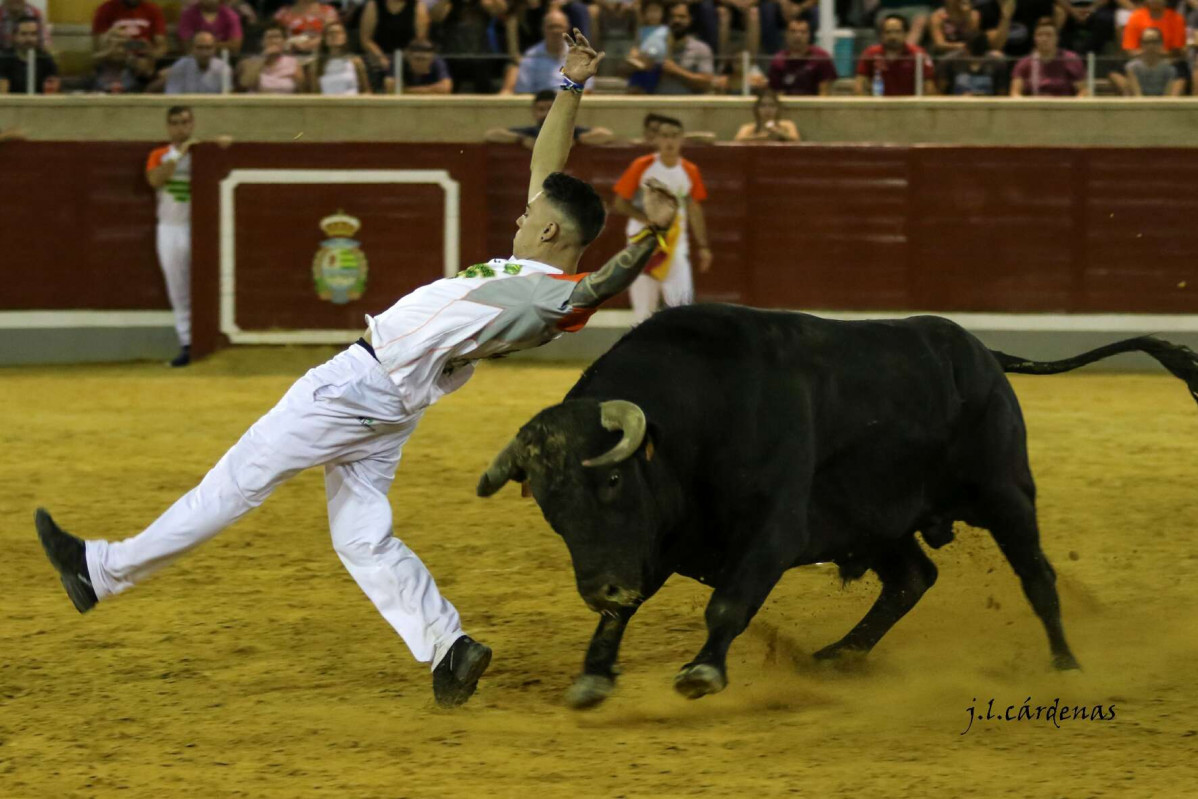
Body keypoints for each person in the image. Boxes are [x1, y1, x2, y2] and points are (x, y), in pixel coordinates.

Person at [35, 31, 681, 711]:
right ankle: (447, 645)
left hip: (355, 386)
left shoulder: (546, 293)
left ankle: (101, 570)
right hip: (391, 404)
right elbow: (549, 169)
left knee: (234, 481)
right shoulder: (534, 272)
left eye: (530, 215)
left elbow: (593, 288)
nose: (521, 214)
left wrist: (650, 238)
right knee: (361, 534)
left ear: (550, 233)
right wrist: (572, 86)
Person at [612, 114, 711, 323]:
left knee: (682, 310)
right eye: (665, 136)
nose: (669, 141)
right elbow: (619, 203)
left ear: (682, 139)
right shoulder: (642, 165)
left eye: (675, 136)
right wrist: (647, 219)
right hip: (642, 244)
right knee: (643, 313)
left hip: (675, 247)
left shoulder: (689, 170)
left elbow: (694, 209)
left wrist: (703, 246)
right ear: (656, 139)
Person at [144, 107, 199, 367]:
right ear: (168, 127)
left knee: (204, 286)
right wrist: (178, 155)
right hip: (170, 227)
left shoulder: (203, 152)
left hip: (201, 229)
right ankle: (187, 343)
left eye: (185, 122)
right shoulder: (160, 154)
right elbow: (156, 180)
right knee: (178, 289)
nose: (181, 128)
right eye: (176, 123)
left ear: (193, 124)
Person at [502, 9, 592, 94]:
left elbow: (586, 90)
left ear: (567, 28)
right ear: (543, 29)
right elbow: (524, 92)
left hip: (570, 104)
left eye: (559, 26)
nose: (555, 31)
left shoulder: (579, 57)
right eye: (551, 27)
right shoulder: (531, 57)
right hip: (540, 106)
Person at [486, 88, 614, 147]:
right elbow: (491, 134)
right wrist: (521, 139)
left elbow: (607, 134)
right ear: (534, 112)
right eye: (541, 109)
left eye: (551, 110)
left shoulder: (572, 132)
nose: (546, 114)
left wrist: (579, 140)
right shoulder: (530, 132)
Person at [854, 14, 937, 95]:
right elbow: (860, 85)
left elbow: (929, 88)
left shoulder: (919, 54)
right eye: (888, 32)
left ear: (905, 33)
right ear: (881, 35)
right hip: (879, 105)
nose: (893, 36)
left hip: (911, 105)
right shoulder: (870, 53)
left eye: (897, 32)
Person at [1010, 17, 1086, 96]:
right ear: (1034, 38)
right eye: (1040, 35)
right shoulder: (1024, 63)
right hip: (1034, 106)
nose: (1044, 39)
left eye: (1049, 35)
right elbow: (1015, 93)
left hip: (1063, 106)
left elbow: (1083, 91)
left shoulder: (1071, 59)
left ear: (1057, 38)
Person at [766, 17, 836, 96]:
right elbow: (777, 94)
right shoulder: (778, 60)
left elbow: (825, 93)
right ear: (786, 35)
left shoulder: (821, 57)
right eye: (793, 31)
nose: (798, 36)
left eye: (803, 32)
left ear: (809, 35)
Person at [359, 0, 429, 77]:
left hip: (407, 60)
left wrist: (401, 61)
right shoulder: (373, 5)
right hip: (377, 58)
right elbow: (366, 39)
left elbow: (419, 41)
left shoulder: (418, 6)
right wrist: (381, 58)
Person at [1115, 26, 1183, 95]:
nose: (1150, 45)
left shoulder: (1169, 69)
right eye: (1146, 42)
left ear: (1161, 43)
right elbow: (1137, 96)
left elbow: (1167, 97)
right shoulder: (1132, 68)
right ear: (1141, 43)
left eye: (1154, 41)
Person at [307, 21, 371, 94]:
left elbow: (366, 90)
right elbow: (314, 93)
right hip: (327, 103)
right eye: (330, 33)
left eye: (338, 32)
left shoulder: (356, 62)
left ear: (345, 37)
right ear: (324, 39)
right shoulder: (316, 64)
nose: (334, 35)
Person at [237, 24, 304, 93]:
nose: (273, 41)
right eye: (269, 37)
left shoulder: (293, 62)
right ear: (261, 42)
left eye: (277, 37)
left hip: (285, 102)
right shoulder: (249, 62)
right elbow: (245, 83)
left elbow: (301, 90)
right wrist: (263, 57)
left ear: (284, 41)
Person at [91, 0, 167, 61]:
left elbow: (162, 47)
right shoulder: (105, 9)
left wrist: (150, 52)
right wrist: (110, 50)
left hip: (144, 61)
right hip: (113, 63)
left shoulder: (153, 9)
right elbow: (98, 49)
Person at [937, 31, 1008, 95]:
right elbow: (940, 92)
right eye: (972, 55)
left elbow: (1002, 93)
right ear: (965, 48)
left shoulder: (997, 63)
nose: (975, 60)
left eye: (980, 57)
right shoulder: (949, 61)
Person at [0, 16, 58, 94]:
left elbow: (52, 92)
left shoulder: (46, 59)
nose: (29, 38)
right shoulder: (4, 58)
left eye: (33, 34)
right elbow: (2, 96)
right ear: (14, 36)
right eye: (23, 34)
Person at [161, 31, 233, 93]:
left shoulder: (223, 69)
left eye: (208, 48)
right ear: (192, 49)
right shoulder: (180, 67)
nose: (204, 52)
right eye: (200, 48)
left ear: (214, 49)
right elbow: (172, 96)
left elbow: (227, 100)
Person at [177, 0, 243, 56]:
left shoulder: (231, 16)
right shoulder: (187, 15)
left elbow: (235, 47)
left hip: (224, 60)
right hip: (193, 62)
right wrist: (222, 45)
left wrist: (201, 46)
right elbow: (187, 46)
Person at [273, 0, 340, 55]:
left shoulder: (328, 12)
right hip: (290, 58)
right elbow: (274, 38)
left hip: (321, 57)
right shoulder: (283, 14)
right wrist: (290, 43)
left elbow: (335, 36)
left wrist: (316, 42)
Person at [733, 89, 798, 142]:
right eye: (763, 106)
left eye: (772, 105)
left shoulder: (787, 125)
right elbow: (738, 140)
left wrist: (778, 132)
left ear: (778, 109)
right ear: (757, 109)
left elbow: (796, 140)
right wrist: (762, 137)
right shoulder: (749, 128)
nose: (767, 109)